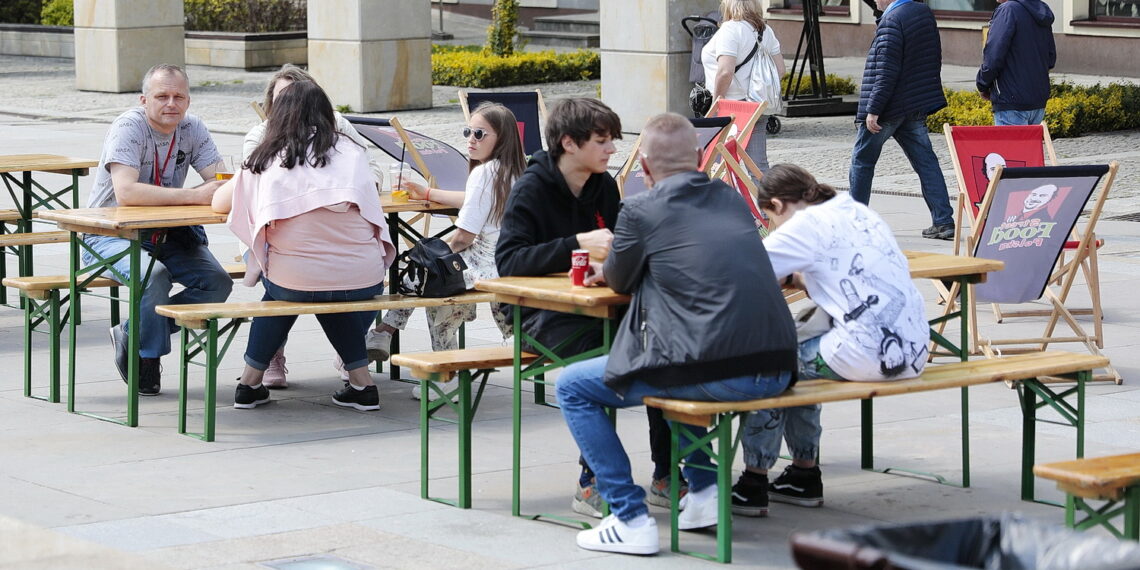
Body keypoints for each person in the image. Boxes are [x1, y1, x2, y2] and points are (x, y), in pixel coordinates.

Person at [558, 113, 798, 555]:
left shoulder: (640, 208)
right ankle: (704, 492)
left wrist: (607, 270)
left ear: (645, 168)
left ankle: (629, 517)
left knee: (573, 385)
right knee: (678, 361)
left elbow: (621, 279)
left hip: (719, 368)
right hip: (780, 364)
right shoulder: (728, 198)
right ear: (701, 158)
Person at [495, 97, 679, 518]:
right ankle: (591, 482)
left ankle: (668, 476)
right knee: (608, 363)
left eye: (612, 139)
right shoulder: (533, 186)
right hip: (538, 313)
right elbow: (509, 261)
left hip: (601, 304)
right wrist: (577, 244)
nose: (612, 149)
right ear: (568, 143)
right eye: (602, 140)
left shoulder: (602, 184)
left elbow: (621, 245)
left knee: (662, 353)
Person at [732, 164, 929, 518]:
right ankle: (803, 475)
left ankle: (753, 482)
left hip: (868, 355)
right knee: (798, 357)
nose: (771, 226)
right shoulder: (855, 209)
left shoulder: (804, 225)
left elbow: (742, 269)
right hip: (914, 349)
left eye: (768, 218)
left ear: (777, 205)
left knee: (770, 363)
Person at [212, 81, 396, 411]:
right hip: (361, 275)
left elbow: (220, 203)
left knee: (289, 291)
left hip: (294, 279)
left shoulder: (267, 156)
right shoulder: (351, 152)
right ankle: (362, 384)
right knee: (330, 289)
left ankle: (249, 383)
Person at [91, 63, 233, 396]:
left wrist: (216, 188)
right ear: (144, 100)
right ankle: (147, 356)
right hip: (111, 233)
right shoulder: (128, 127)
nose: (171, 103)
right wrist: (195, 196)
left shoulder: (193, 128)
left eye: (178, 97)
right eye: (162, 96)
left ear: (188, 101)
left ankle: (132, 330)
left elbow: (221, 180)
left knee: (216, 284)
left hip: (169, 232)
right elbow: (126, 192)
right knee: (153, 276)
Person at [366, 102, 521, 400]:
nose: (471, 139)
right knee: (425, 271)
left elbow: (463, 236)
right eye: (468, 132)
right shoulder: (514, 170)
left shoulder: (485, 172)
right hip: (510, 262)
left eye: (479, 133)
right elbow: (473, 199)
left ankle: (443, 370)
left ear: (501, 139)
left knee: (424, 274)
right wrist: (427, 193)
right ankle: (385, 333)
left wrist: (435, 258)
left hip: (485, 264)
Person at [848, 0, 955, 241]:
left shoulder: (893, 20)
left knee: (862, 161)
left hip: (889, 107)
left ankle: (856, 224)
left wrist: (873, 110)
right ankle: (943, 221)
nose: (875, 1)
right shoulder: (922, 13)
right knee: (926, 162)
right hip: (914, 103)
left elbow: (886, 69)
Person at [701, 0, 784, 172]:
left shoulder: (730, 29)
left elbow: (725, 71)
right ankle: (765, 199)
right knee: (757, 167)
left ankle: (725, 199)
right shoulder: (766, 31)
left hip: (731, 108)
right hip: (755, 106)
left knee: (716, 165)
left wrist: (717, 103)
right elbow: (780, 70)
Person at [976, 0, 1056, 126]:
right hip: (1037, 100)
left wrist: (982, 84)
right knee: (1029, 146)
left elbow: (993, 56)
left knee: (1010, 146)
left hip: (1011, 100)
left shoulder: (1008, 10)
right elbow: (1051, 58)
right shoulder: (1039, 10)